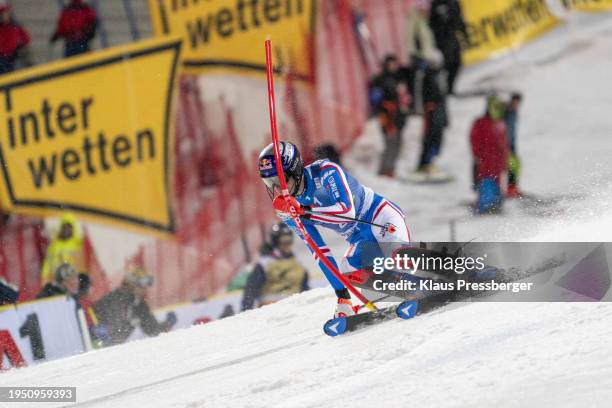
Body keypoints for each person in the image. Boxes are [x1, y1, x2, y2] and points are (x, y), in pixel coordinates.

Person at [258, 141, 411, 317]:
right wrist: (342, 296)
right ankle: (391, 292)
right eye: (270, 183)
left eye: (280, 180)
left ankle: (421, 276)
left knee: (397, 257)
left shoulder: (326, 172)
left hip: (381, 219)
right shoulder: (288, 211)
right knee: (347, 271)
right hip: (360, 238)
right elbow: (319, 252)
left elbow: (347, 210)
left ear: (295, 170)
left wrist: (305, 211)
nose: (278, 189)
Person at [94, 266, 176, 346]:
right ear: (131, 283)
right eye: (142, 284)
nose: (145, 288)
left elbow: (152, 330)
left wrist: (167, 324)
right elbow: (113, 330)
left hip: (113, 346)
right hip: (96, 345)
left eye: (147, 284)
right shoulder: (115, 299)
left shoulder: (139, 304)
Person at [241, 223, 310, 311]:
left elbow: (304, 285)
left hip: (295, 307)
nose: (287, 244)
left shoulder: (297, 261)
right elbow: (251, 289)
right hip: (271, 308)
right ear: (276, 241)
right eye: (283, 240)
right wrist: (246, 310)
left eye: (289, 240)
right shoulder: (265, 263)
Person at [368, 55, 409, 177]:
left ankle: (390, 168)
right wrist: (381, 112)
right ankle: (384, 169)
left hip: (398, 115)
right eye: (390, 64)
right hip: (387, 115)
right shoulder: (379, 80)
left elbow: (404, 96)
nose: (392, 67)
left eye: (394, 64)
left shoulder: (399, 79)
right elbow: (375, 99)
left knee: (398, 143)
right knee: (390, 142)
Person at [470, 95, 509, 214]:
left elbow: (504, 145)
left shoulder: (501, 124)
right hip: (485, 164)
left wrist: (505, 161)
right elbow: (474, 139)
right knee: (486, 185)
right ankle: (484, 207)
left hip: (497, 165)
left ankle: (495, 206)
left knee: (496, 184)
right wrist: (478, 155)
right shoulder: (480, 123)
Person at [428, 0, 468, 95]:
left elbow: (460, 20)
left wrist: (466, 38)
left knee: (459, 67)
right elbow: (432, 24)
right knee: (448, 69)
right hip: (443, 45)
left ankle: (458, 90)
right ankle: (450, 92)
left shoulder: (453, 2)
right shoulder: (436, 4)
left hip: (455, 43)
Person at [41, 213, 86, 286]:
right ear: (61, 228)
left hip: (74, 282)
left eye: (69, 227)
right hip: (57, 281)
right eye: (64, 227)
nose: (66, 230)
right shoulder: (55, 245)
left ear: (73, 229)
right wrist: (44, 278)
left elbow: (82, 263)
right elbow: (48, 263)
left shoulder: (78, 244)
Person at [0, 4, 30, 74]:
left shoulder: (15, 26)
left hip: (13, 57)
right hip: (3, 57)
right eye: (2, 14)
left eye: (6, 13)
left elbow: (26, 39)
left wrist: (20, 45)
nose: (4, 16)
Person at [504, 93, 523, 198]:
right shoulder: (505, 111)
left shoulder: (514, 112)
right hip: (503, 144)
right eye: (515, 101)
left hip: (510, 143)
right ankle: (509, 188)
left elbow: (512, 131)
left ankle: (513, 187)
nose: (517, 104)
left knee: (516, 164)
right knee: (510, 165)